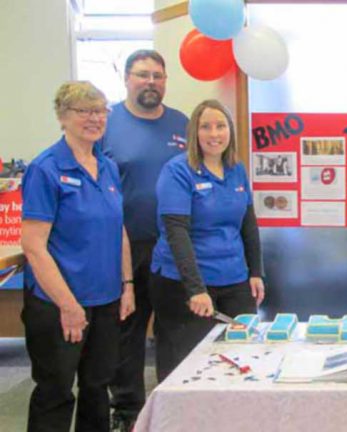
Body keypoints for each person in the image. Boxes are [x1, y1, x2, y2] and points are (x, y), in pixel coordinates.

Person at [20, 81, 135, 431]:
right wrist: (68, 305)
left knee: (97, 387)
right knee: (55, 391)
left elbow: (118, 229)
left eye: (100, 111)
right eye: (84, 111)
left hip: (105, 300)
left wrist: (127, 284)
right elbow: (34, 246)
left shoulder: (107, 166)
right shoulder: (46, 168)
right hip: (58, 303)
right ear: (62, 117)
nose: (94, 118)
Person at [100, 49, 189, 431]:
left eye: (157, 75)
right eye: (142, 74)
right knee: (128, 331)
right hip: (124, 246)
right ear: (127, 79)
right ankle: (127, 411)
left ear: (165, 81)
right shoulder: (106, 122)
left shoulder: (182, 123)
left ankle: (174, 405)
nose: (150, 82)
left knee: (175, 329)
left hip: (174, 245)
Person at [149, 99, 265, 382]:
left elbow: (248, 224)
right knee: (188, 368)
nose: (214, 134)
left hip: (234, 278)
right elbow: (176, 232)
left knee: (242, 358)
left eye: (221, 126)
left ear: (230, 131)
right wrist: (195, 289)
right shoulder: (177, 171)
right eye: (206, 127)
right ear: (194, 133)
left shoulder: (236, 169)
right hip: (184, 283)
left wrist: (255, 272)